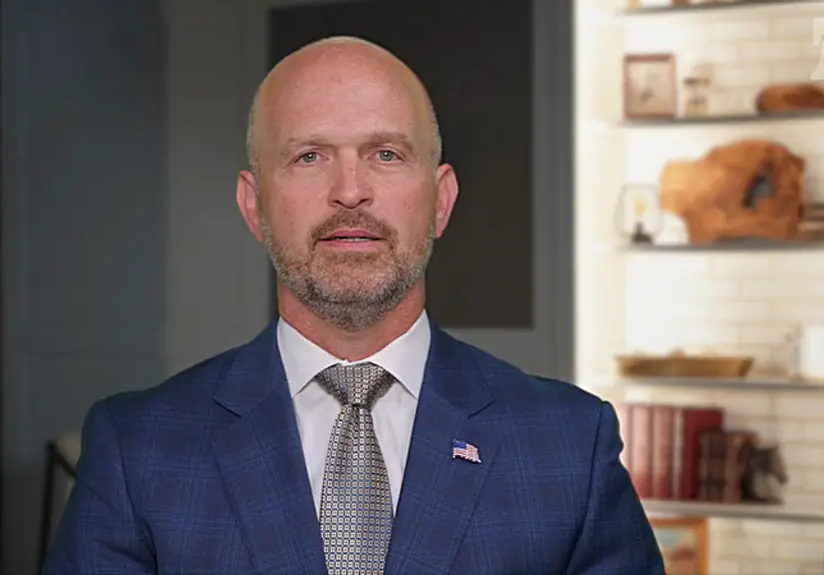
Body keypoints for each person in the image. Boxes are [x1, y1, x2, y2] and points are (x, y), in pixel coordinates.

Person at [43, 36, 665, 575]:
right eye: (309, 156)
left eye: (386, 155)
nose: (350, 191)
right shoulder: (138, 450)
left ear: (441, 200)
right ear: (253, 205)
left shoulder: (568, 446)